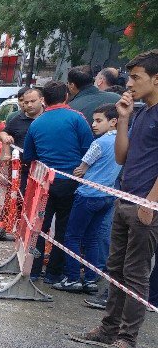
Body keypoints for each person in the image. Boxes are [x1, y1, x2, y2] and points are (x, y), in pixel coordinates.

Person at [69, 49, 158, 348]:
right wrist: (122, 119)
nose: (129, 83)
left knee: (136, 274)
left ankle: (127, 340)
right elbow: (122, 156)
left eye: (136, 77)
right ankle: (108, 329)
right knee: (115, 267)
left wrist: (151, 202)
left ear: (156, 79)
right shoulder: (142, 112)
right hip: (125, 198)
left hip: (145, 206)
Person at [23, 80, 94, 283]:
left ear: (44, 100)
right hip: (71, 181)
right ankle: (54, 274)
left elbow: (29, 155)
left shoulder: (37, 123)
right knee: (64, 229)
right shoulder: (77, 119)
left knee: (39, 226)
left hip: (44, 183)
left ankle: (34, 270)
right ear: (66, 97)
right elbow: (88, 150)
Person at [53, 104, 122, 293]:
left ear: (113, 121)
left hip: (88, 195)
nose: (93, 124)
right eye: (93, 120)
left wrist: (81, 169)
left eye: (99, 120)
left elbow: (81, 169)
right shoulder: (122, 142)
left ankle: (72, 277)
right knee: (93, 238)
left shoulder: (99, 143)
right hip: (108, 195)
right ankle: (91, 279)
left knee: (73, 236)